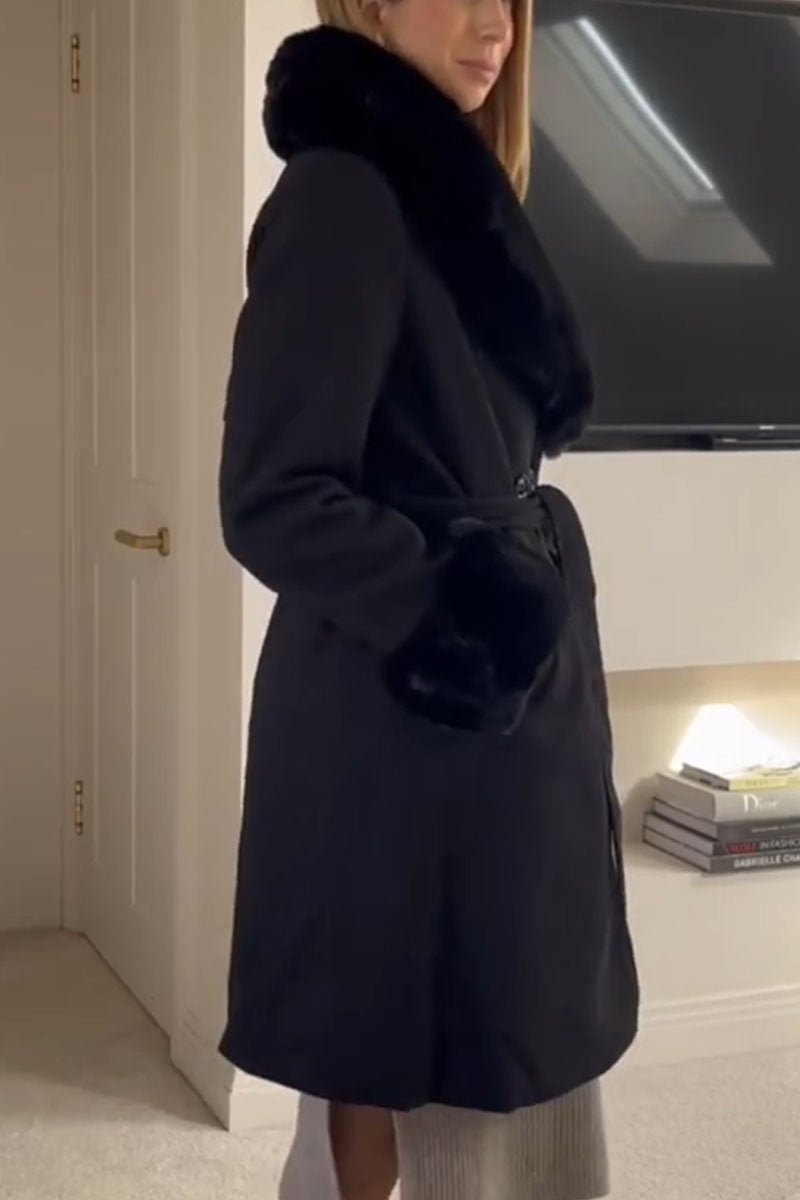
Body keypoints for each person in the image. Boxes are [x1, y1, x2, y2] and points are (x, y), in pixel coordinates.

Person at [217, 1, 640, 1197]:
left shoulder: (446, 192)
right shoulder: (342, 194)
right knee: (406, 1048)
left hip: (479, 695)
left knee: (479, 1035)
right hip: (400, 706)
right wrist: (467, 617)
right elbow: (271, 495)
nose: (493, 24)